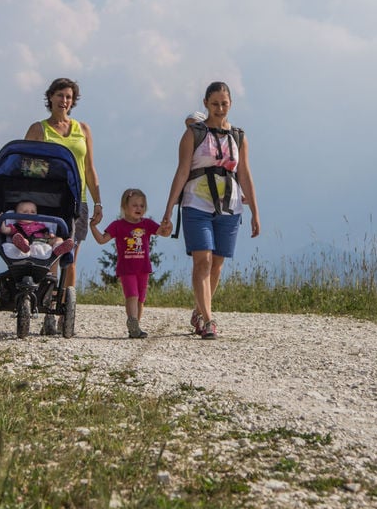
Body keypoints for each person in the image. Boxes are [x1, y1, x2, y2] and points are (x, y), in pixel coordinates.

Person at [161, 81, 260, 340]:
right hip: (196, 203)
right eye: (214, 103)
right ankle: (208, 319)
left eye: (224, 103)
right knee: (202, 261)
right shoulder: (193, 134)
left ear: (230, 104)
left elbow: (245, 174)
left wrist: (256, 213)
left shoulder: (238, 136)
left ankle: (199, 309)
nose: (219, 108)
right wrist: (169, 209)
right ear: (205, 103)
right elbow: (182, 171)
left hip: (230, 206)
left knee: (217, 264)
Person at [25, 78, 103, 334]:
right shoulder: (39, 130)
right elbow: (26, 166)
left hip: (76, 200)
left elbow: (90, 169)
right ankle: (47, 308)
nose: (64, 101)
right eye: (60, 95)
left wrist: (97, 201)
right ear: (50, 98)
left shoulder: (83, 130)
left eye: (69, 97)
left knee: (70, 257)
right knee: (50, 255)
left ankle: (64, 311)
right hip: (48, 200)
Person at [90, 189, 169, 339]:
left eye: (142, 206)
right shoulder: (118, 225)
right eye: (135, 205)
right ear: (124, 207)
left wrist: (167, 226)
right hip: (127, 269)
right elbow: (101, 240)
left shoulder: (147, 224)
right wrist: (93, 226)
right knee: (132, 295)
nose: (139, 208)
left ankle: (136, 327)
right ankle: (132, 322)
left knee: (141, 298)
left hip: (143, 268)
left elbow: (163, 232)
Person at [0, 200, 74, 262]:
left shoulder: (40, 225)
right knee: (19, 238)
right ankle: (23, 246)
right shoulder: (16, 226)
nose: (29, 214)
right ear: (16, 215)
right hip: (26, 241)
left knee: (58, 239)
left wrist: (51, 236)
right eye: (25, 212)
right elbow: (4, 230)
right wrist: (1, 221)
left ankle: (58, 247)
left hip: (42, 241)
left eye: (33, 212)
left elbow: (46, 234)